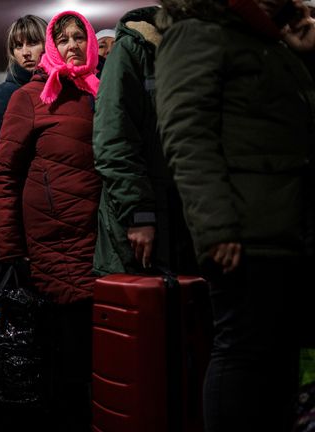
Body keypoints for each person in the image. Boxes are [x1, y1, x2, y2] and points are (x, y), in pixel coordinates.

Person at [155, 0, 315, 430]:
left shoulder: (265, 42)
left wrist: (306, 51)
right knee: (243, 353)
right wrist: (217, 226)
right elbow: (186, 135)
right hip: (245, 230)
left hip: (285, 225)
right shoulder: (196, 31)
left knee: (279, 357)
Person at [0, 10, 100, 430]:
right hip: (53, 238)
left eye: (79, 37)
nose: (73, 45)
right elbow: (4, 173)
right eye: (65, 39)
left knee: (93, 349)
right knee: (66, 351)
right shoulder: (29, 97)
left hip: (98, 236)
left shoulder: (99, 91)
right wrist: (11, 245)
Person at [92, 5, 197, 276]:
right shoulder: (133, 49)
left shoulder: (199, 50)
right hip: (147, 216)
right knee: (147, 307)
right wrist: (139, 214)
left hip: (190, 214)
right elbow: (114, 138)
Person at [0, 14, 47, 239]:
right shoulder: (4, 95)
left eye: (33, 43)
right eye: (17, 46)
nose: (25, 52)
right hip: (19, 213)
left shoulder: (62, 88)